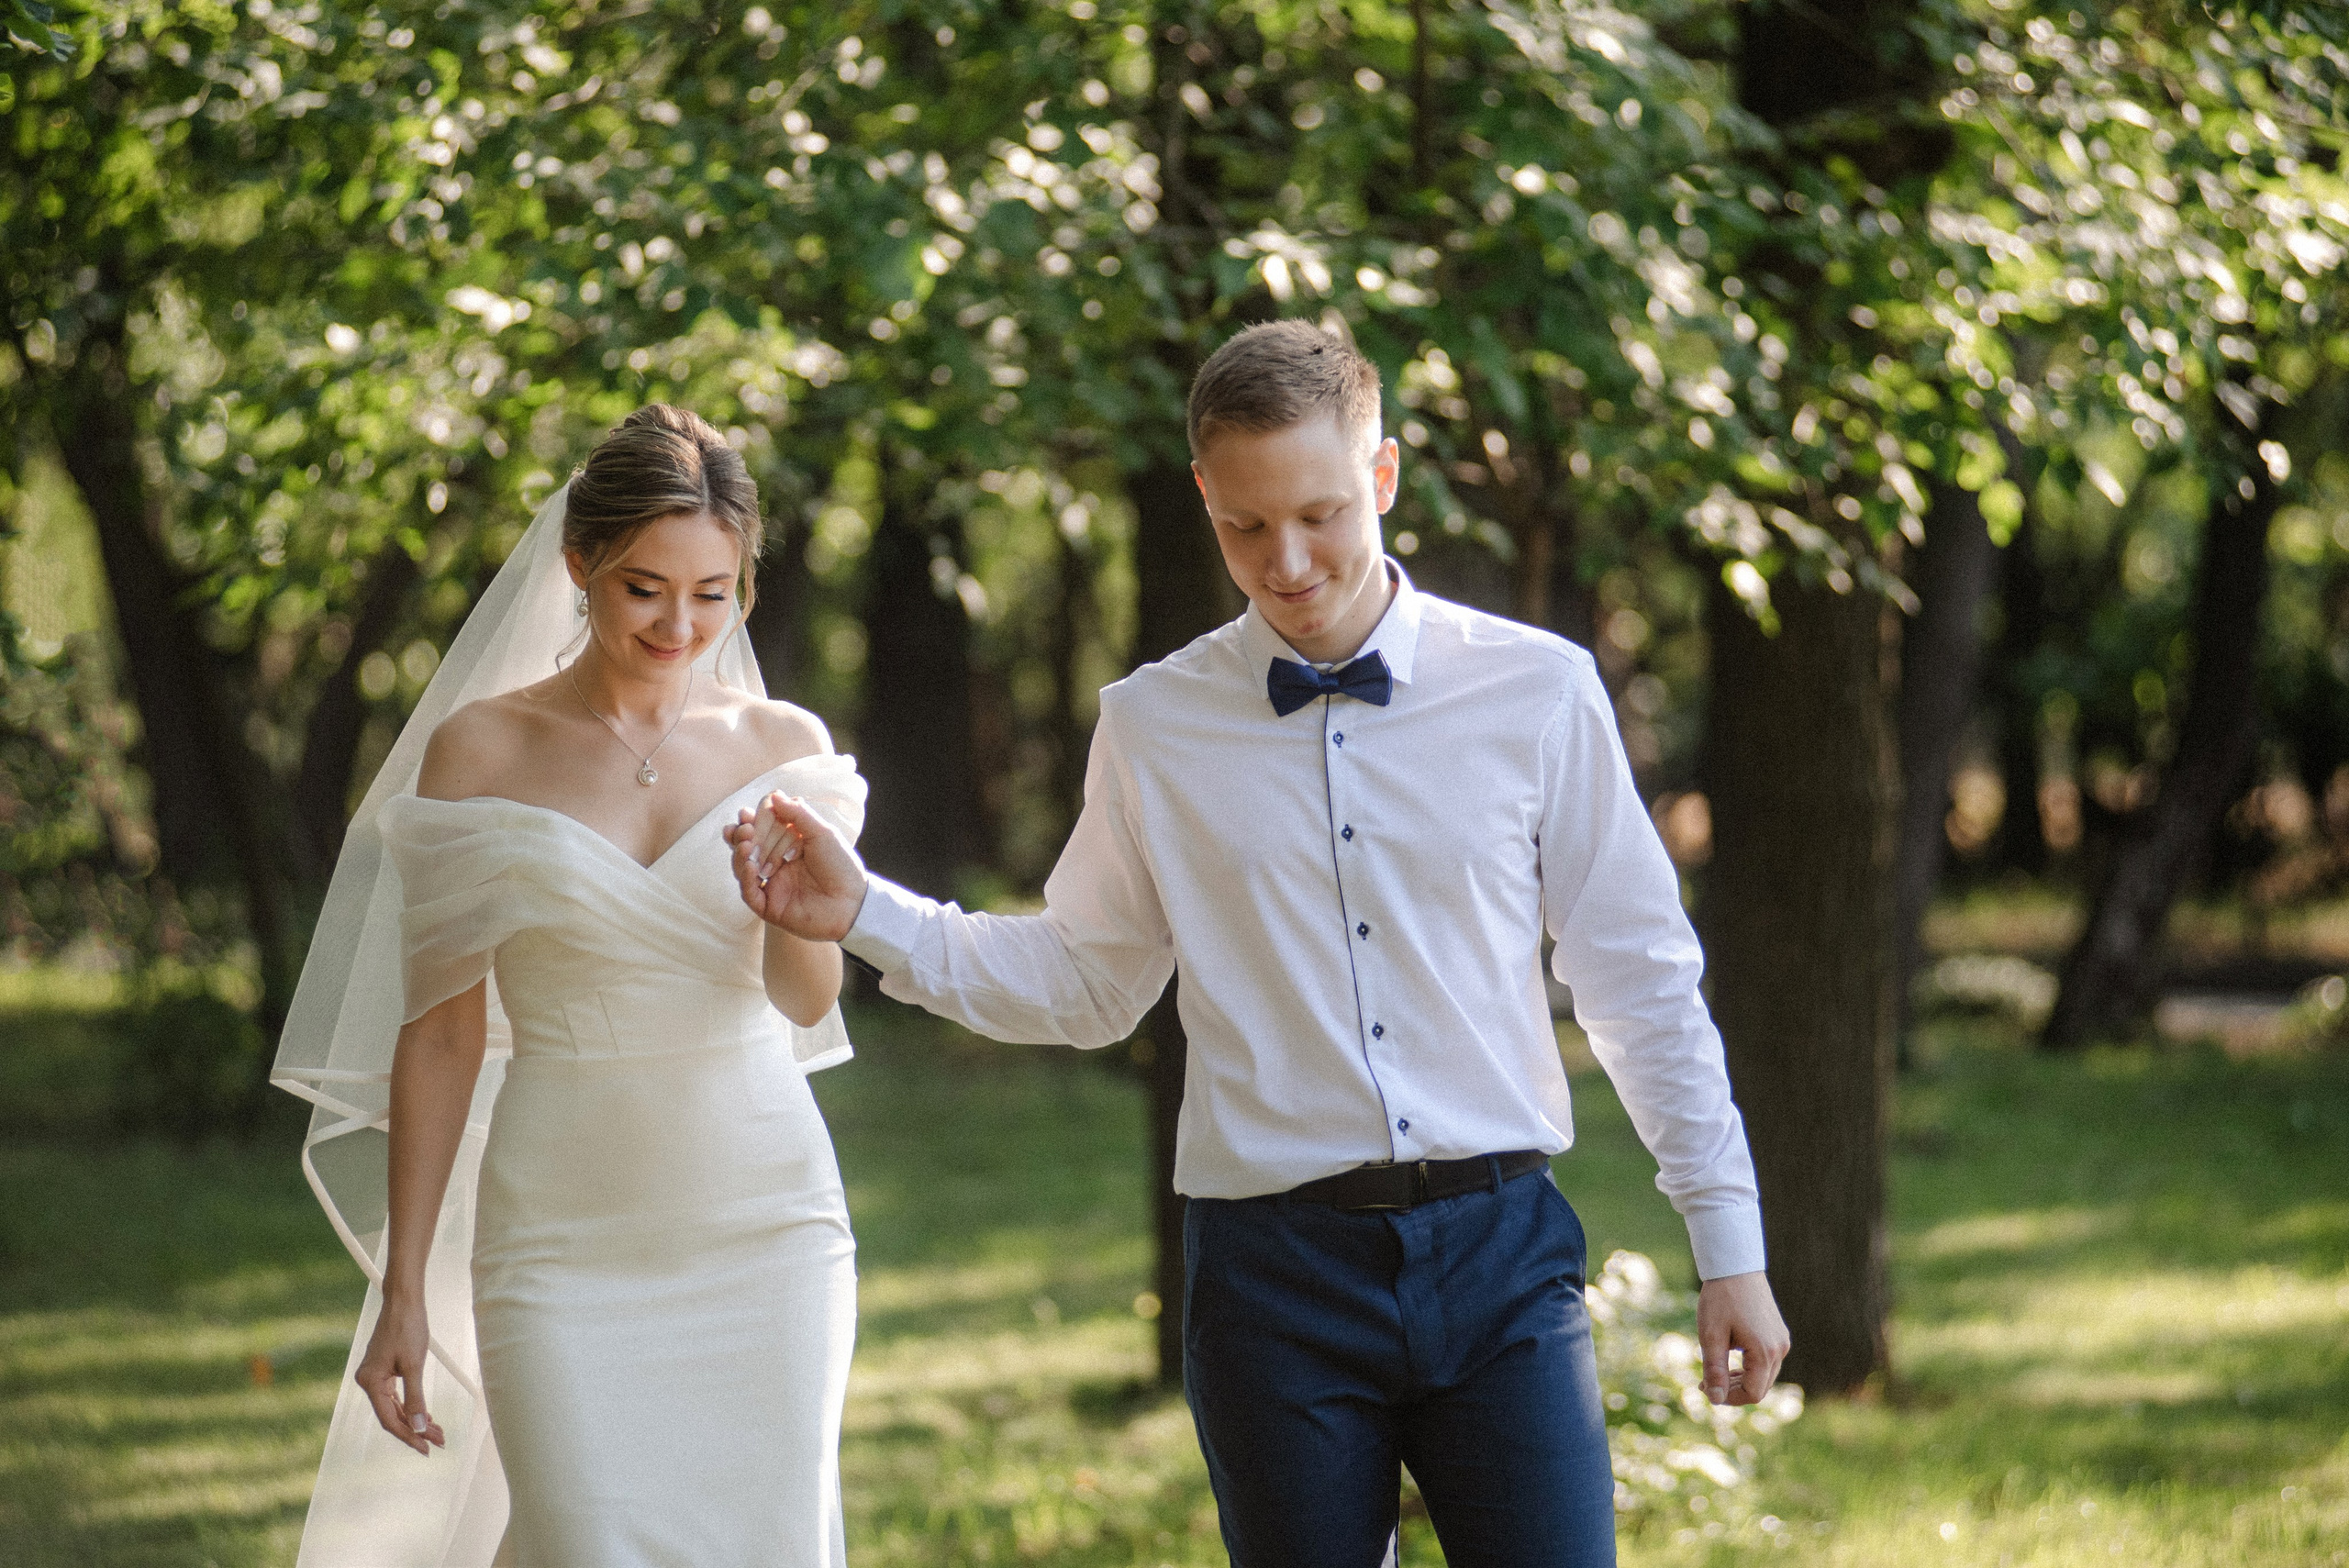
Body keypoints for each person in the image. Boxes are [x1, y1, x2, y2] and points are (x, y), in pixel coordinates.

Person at [732, 321, 1791, 1566]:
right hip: (1270, 1279)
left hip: (1503, 1260)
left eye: (1323, 514)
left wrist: (1731, 1247)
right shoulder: (1152, 724)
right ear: (1204, 501)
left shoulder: (1539, 692)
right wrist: (867, 914)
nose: (1288, 562)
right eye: (1246, 527)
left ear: (1383, 477)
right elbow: (1085, 982)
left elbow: (1642, 982)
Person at [271, 405, 866, 1567]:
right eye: (645, 586)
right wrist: (404, 1289)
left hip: (766, 1224)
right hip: (559, 1239)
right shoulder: (481, 752)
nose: (678, 623)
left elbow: (806, 1000)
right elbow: (440, 1036)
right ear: (578, 564)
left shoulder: (783, 744)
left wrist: (784, 909)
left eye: (712, 592)